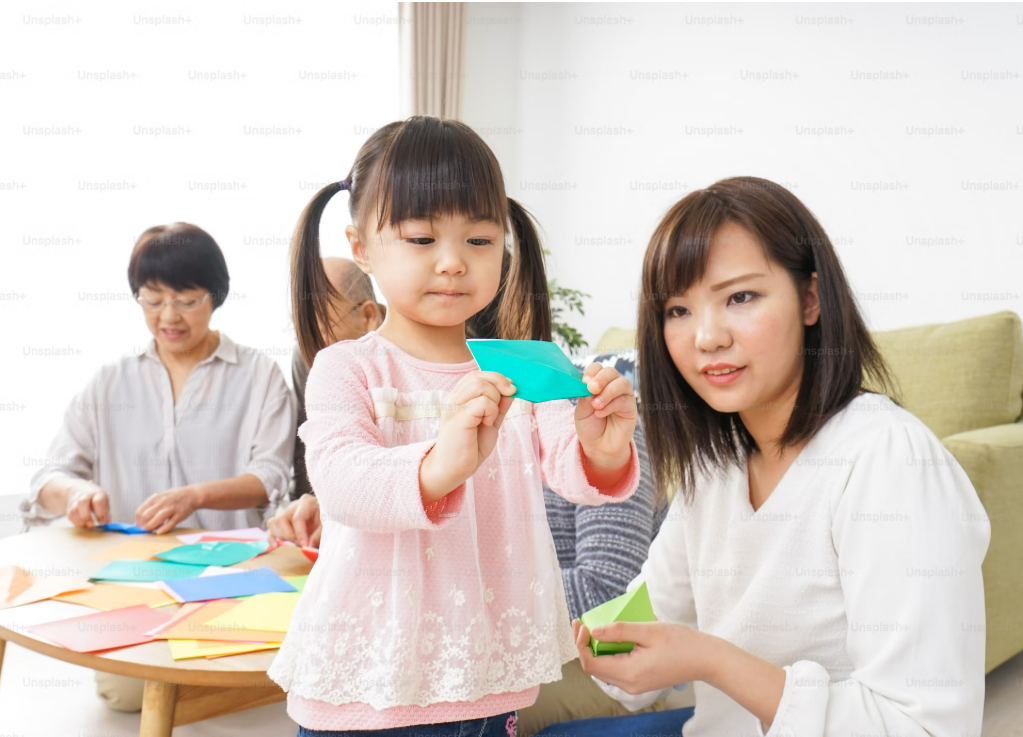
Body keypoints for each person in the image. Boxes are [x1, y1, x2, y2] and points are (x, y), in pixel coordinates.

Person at [552, 177, 990, 736]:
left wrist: (710, 660)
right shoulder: (715, 467)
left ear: (810, 298)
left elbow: (925, 727)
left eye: (740, 297)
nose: (706, 338)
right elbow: (640, 628)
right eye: (678, 310)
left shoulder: (891, 461)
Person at [265, 115, 641, 737]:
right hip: (369, 689)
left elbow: (572, 472)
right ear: (361, 246)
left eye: (479, 240)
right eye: (420, 240)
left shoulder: (523, 366)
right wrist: (443, 461)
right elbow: (341, 482)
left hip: (487, 682)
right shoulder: (347, 367)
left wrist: (603, 450)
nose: (452, 264)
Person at [21, 222, 296, 711]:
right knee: (123, 693)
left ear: (215, 296)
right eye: (152, 300)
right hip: (133, 581)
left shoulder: (259, 375)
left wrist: (195, 496)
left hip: (229, 578)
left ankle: (216, 678)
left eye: (187, 300)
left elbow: (270, 478)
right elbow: (49, 475)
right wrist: (76, 495)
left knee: (244, 671)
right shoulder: (111, 380)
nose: (169, 316)